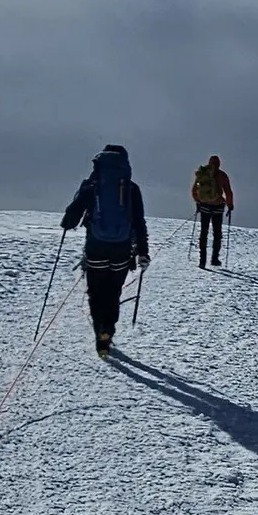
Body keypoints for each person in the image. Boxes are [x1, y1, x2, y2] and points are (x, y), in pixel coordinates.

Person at [63, 144, 150, 356]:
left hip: (96, 247)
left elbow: (71, 217)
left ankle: (99, 334)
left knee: (95, 292)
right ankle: (108, 330)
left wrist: (68, 222)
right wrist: (143, 252)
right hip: (122, 249)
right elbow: (139, 221)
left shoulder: (92, 185)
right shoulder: (131, 188)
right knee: (113, 292)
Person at [190, 154, 234, 268]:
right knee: (217, 233)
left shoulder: (203, 173)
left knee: (203, 233)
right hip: (218, 207)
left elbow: (194, 190)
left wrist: (198, 201)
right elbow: (228, 192)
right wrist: (230, 205)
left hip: (204, 206)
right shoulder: (222, 175)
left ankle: (202, 260)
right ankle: (214, 259)